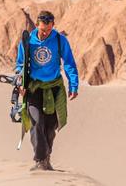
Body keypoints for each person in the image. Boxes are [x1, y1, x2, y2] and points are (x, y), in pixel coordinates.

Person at [15, 10, 79, 171]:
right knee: (36, 123)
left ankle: (46, 157)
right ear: (36, 25)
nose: (45, 33)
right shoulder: (28, 41)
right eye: (43, 30)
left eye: (49, 30)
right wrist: (20, 82)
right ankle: (40, 160)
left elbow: (69, 62)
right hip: (34, 88)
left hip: (54, 88)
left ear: (53, 27)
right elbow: (20, 65)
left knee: (50, 127)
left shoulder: (59, 40)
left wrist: (73, 84)